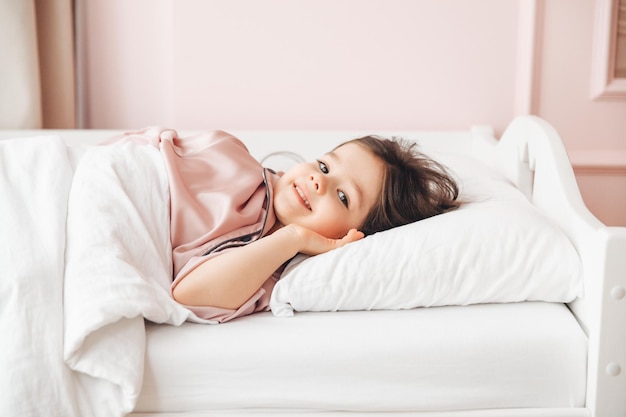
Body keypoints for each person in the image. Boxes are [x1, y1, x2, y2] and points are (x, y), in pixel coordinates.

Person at [107, 127, 461, 322]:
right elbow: (131, 155)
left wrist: (292, 238)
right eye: (324, 166)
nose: (319, 182)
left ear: (355, 237)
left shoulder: (269, 271)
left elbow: (188, 294)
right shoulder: (231, 154)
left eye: (343, 198)